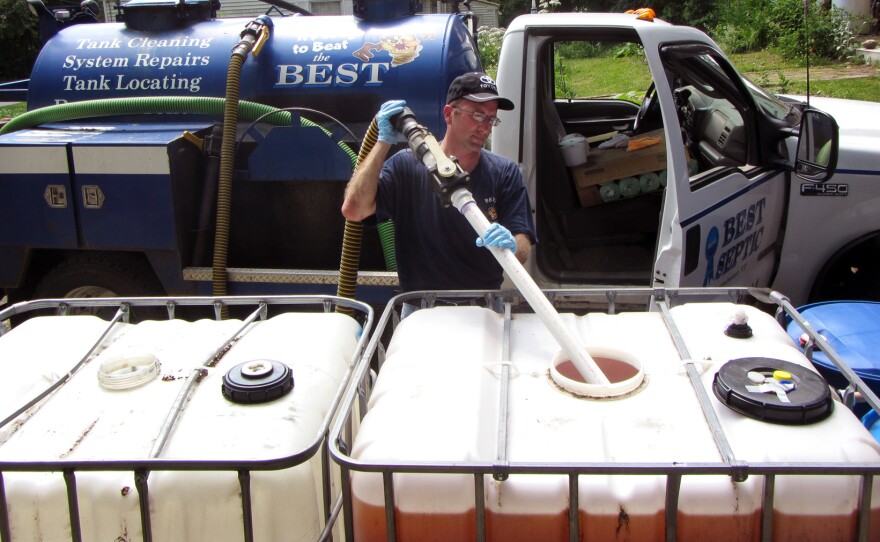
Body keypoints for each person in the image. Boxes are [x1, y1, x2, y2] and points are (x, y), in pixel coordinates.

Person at [341, 71, 537, 294]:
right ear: (448, 114)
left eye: (491, 119)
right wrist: (382, 142)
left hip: (483, 306)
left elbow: (522, 247)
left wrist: (510, 243)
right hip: (421, 308)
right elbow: (354, 210)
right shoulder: (406, 167)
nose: (486, 126)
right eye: (478, 115)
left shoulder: (504, 172)